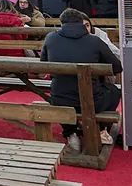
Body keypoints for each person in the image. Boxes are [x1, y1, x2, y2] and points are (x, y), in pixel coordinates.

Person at [40, 8, 123, 151]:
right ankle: (101, 129)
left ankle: (71, 133)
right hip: (92, 101)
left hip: (60, 99)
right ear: (82, 23)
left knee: (62, 93)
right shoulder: (95, 41)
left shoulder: (51, 38)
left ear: (62, 23)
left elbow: (43, 64)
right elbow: (117, 67)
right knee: (114, 91)